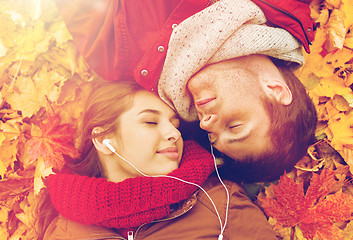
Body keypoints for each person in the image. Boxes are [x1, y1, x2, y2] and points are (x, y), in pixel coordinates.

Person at [53, 0, 318, 182]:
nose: (207, 122)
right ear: (276, 90)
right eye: (235, 126)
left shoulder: (114, 56)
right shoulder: (288, 7)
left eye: (212, 136)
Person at [38, 80, 277, 239]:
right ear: (103, 140)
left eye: (175, 124)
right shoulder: (64, 231)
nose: (174, 133)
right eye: (151, 122)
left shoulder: (220, 203)